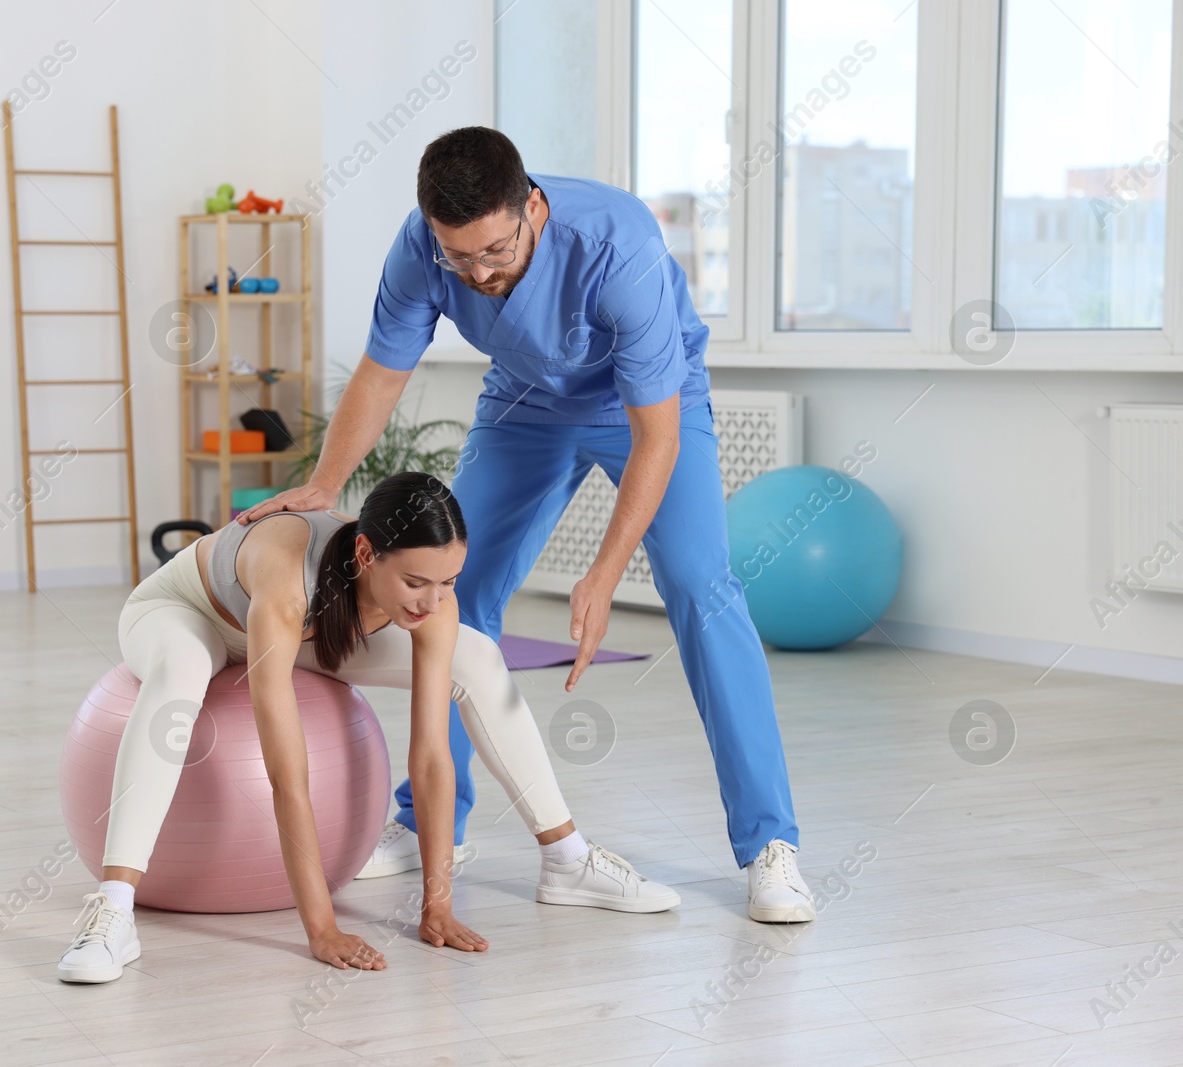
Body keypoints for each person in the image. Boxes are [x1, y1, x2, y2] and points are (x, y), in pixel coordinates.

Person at [238, 127, 814, 924]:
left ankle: (769, 849)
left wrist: (604, 574)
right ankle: (429, 819)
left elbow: (658, 436)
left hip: (644, 406)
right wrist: (325, 481)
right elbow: (382, 370)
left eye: (496, 251)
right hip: (526, 405)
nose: (479, 273)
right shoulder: (422, 248)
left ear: (531, 207)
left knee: (701, 588)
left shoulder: (619, 245)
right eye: (459, 257)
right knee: (448, 592)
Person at [58, 472, 679, 984]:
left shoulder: (428, 599)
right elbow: (287, 770)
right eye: (415, 582)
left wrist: (437, 904)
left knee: (479, 656)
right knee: (182, 674)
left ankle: (566, 859)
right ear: (364, 555)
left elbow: (432, 758)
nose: (433, 602)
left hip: (310, 635)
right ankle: (113, 914)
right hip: (190, 613)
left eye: (448, 582)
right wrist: (321, 927)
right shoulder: (286, 579)